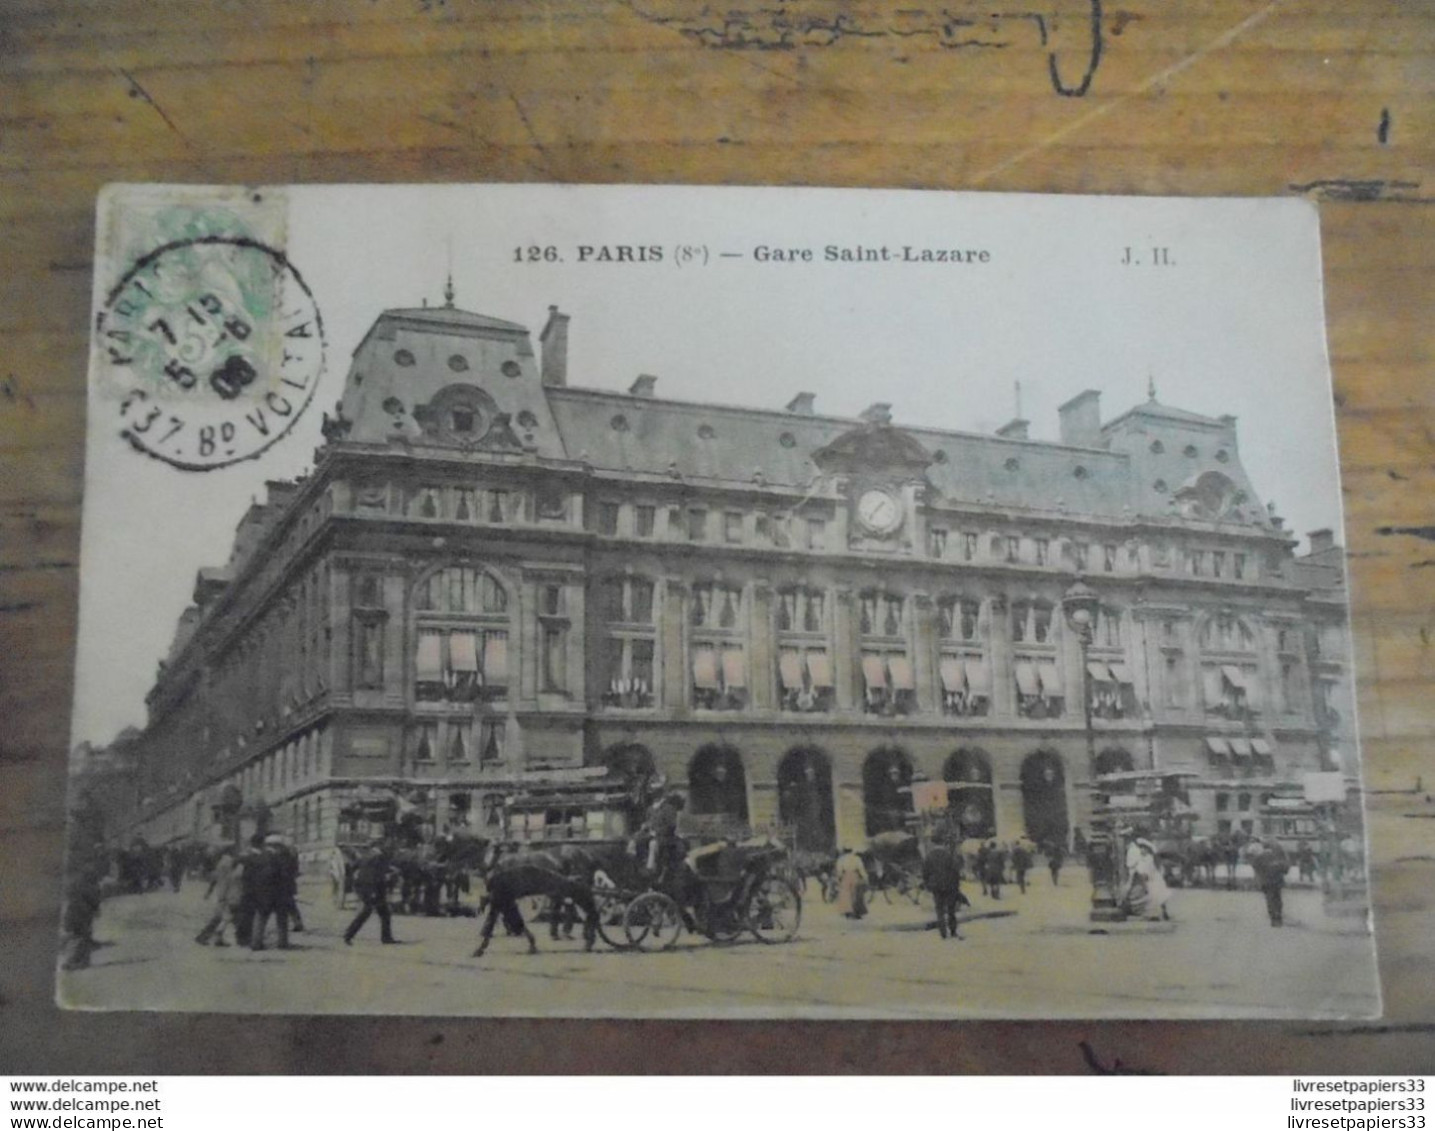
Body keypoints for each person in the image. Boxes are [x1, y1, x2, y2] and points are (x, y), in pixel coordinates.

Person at [344, 842, 399, 945]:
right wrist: (373, 891)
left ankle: (386, 938)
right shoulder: (380, 858)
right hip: (372, 888)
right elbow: (373, 874)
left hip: (369, 887)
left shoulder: (369, 857)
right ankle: (348, 934)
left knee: (384, 913)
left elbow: (356, 867)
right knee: (367, 912)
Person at [249, 835, 290, 951]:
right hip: (278, 894)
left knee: (260, 918)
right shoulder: (280, 858)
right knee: (282, 919)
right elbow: (284, 876)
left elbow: (252, 876)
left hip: (262, 893)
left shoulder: (258, 857)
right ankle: (282, 943)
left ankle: (256, 943)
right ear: (277, 846)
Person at [195, 849, 239, 947]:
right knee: (224, 917)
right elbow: (229, 881)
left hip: (223, 894)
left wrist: (209, 892)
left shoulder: (221, 864)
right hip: (227, 894)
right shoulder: (228, 864)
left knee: (220, 917)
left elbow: (215, 880)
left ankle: (213, 937)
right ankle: (206, 936)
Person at [641, 791, 686, 885]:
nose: (654, 796)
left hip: (667, 838)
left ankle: (650, 869)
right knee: (637, 842)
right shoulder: (650, 809)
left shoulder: (668, 808)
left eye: (657, 793)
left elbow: (671, 826)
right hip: (652, 836)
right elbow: (648, 822)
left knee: (653, 844)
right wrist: (645, 827)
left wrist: (657, 832)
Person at [1123, 836, 1171, 921]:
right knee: (1152, 898)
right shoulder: (1140, 859)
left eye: (1144, 849)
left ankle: (1163, 911)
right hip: (1148, 880)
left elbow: (1151, 869)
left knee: (1159, 896)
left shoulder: (1149, 858)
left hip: (1155, 879)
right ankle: (1154, 914)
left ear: (1148, 850)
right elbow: (1140, 870)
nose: (1142, 850)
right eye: (1141, 848)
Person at [1248, 836, 1290, 927]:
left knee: (1269, 900)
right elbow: (1285, 868)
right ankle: (1278, 917)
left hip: (1266, 882)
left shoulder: (1259, 858)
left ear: (1264, 847)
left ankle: (1273, 919)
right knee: (1278, 899)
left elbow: (1255, 867)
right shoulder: (1277, 857)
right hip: (1277, 882)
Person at [832, 847, 869, 919]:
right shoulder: (857, 858)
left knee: (846, 894)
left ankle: (848, 912)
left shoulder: (841, 859)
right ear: (851, 850)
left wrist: (839, 878)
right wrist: (865, 877)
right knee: (856, 894)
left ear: (844, 851)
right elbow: (861, 869)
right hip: (855, 875)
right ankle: (857, 912)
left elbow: (839, 870)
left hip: (846, 876)